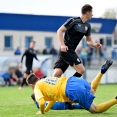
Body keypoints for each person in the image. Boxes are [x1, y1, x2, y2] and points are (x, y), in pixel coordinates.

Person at [26, 60, 117, 115]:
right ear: (37, 78)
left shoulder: (37, 87)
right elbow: (53, 99)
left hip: (71, 89)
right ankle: (101, 72)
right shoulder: (46, 79)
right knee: (92, 90)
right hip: (73, 80)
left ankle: (116, 100)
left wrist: (42, 112)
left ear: (31, 85)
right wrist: (46, 110)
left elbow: (41, 102)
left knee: (95, 110)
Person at [53, 4, 102, 78]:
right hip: (66, 49)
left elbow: (89, 41)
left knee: (56, 75)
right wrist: (62, 44)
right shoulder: (73, 21)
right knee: (81, 70)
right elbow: (59, 30)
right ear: (87, 12)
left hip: (70, 51)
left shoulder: (87, 26)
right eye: (91, 12)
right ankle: (70, 85)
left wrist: (95, 45)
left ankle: (41, 87)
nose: (92, 14)